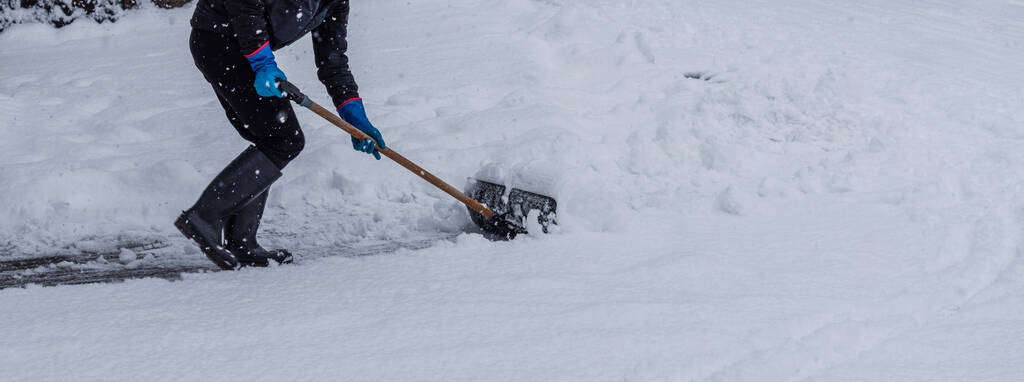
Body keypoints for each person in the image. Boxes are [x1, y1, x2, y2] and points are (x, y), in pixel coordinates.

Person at [175, 0, 385, 270]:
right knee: (283, 139)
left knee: (271, 140)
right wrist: (262, 63)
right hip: (221, 42)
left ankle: (242, 241)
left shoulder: (335, 3)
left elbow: (332, 61)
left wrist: (355, 116)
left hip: (238, 47)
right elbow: (244, 6)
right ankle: (205, 217)